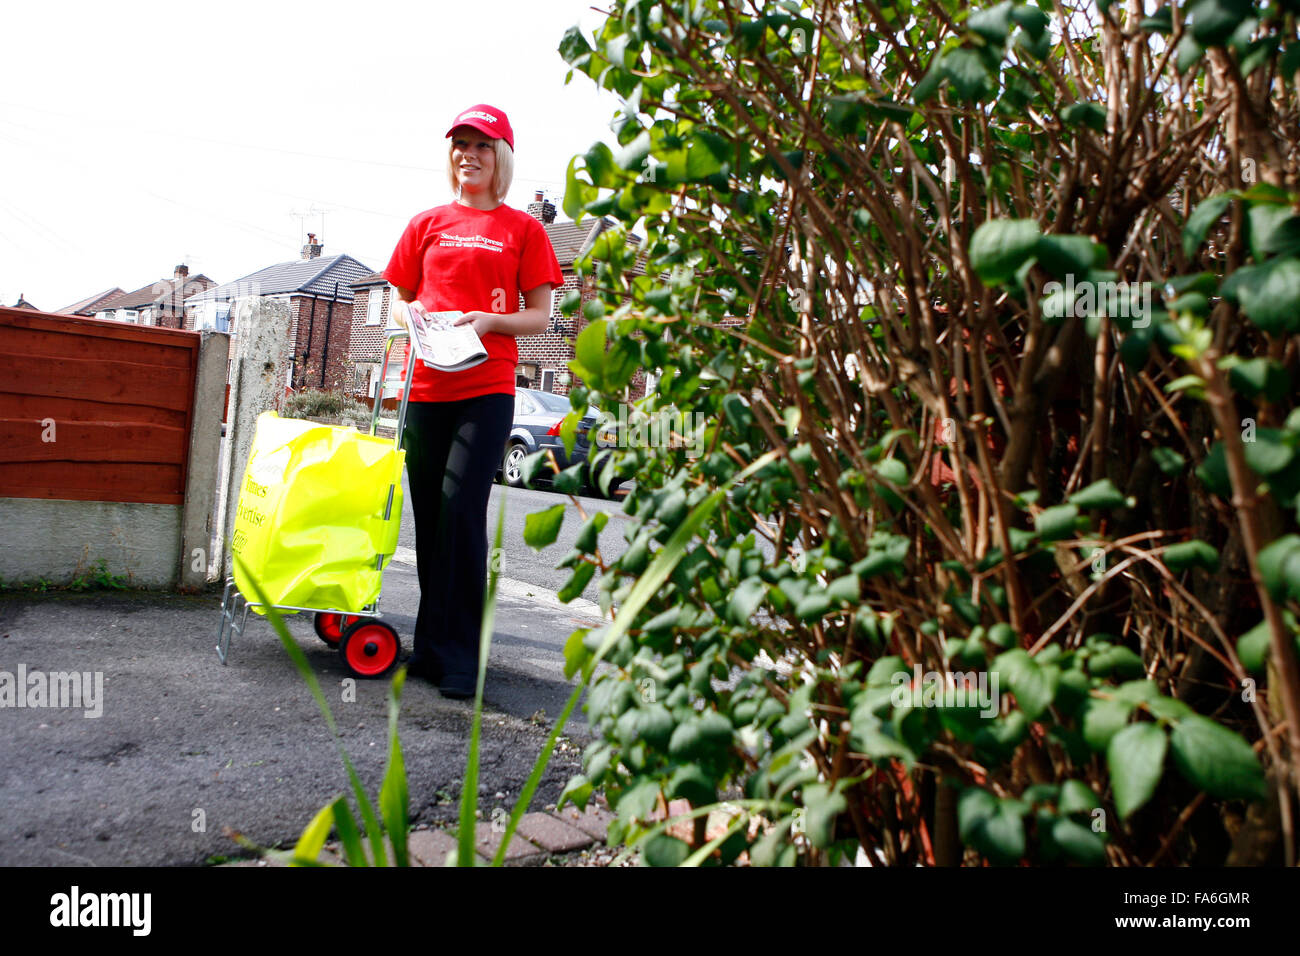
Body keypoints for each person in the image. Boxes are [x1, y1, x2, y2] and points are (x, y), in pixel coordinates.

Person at [382, 104, 562, 699]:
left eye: (482, 146)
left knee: (462, 515)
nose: (469, 155)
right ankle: (430, 649)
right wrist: (418, 324)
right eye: (460, 144)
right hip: (426, 390)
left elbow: (539, 314)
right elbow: (400, 299)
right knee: (430, 520)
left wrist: (489, 321)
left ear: (501, 157)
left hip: (484, 391)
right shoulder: (426, 222)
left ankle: (462, 657)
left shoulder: (523, 230)